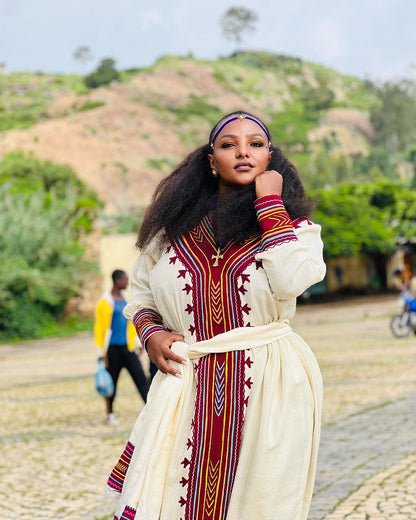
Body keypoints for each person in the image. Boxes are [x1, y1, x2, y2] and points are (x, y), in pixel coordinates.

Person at [106, 111, 326, 519]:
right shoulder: (171, 231)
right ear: (211, 160)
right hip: (189, 381)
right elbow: (140, 292)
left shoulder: (296, 228)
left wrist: (270, 204)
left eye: (256, 144)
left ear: (270, 157)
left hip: (270, 383)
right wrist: (151, 333)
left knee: (261, 501)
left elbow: (291, 279)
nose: (243, 152)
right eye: (229, 144)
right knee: (172, 498)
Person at [94, 269, 149, 425]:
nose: (127, 282)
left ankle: (151, 410)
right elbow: (99, 329)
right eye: (125, 280)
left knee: (141, 379)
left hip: (128, 348)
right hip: (112, 350)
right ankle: (110, 413)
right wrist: (100, 352)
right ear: (117, 281)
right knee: (112, 382)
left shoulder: (126, 300)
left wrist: (138, 343)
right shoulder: (104, 302)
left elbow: (131, 324)